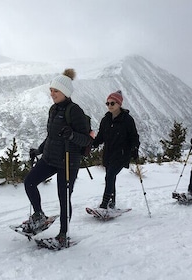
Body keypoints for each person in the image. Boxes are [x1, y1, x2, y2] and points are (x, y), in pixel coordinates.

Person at [24, 69, 91, 245]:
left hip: (69, 161)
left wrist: (71, 136)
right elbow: (51, 136)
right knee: (29, 182)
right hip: (50, 157)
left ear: (66, 92)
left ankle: (63, 234)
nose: (52, 93)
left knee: (63, 197)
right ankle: (39, 215)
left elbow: (85, 140)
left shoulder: (74, 111)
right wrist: (38, 150)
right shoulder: (53, 109)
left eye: (56, 91)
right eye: (51, 90)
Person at [92, 90, 140, 209]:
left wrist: (134, 148)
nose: (109, 106)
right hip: (108, 154)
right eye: (107, 103)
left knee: (109, 176)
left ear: (119, 104)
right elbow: (100, 137)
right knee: (110, 177)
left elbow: (134, 136)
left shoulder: (127, 119)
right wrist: (92, 144)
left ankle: (104, 204)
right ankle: (111, 202)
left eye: (112, 103)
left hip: (122, 154)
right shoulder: (105, 120)